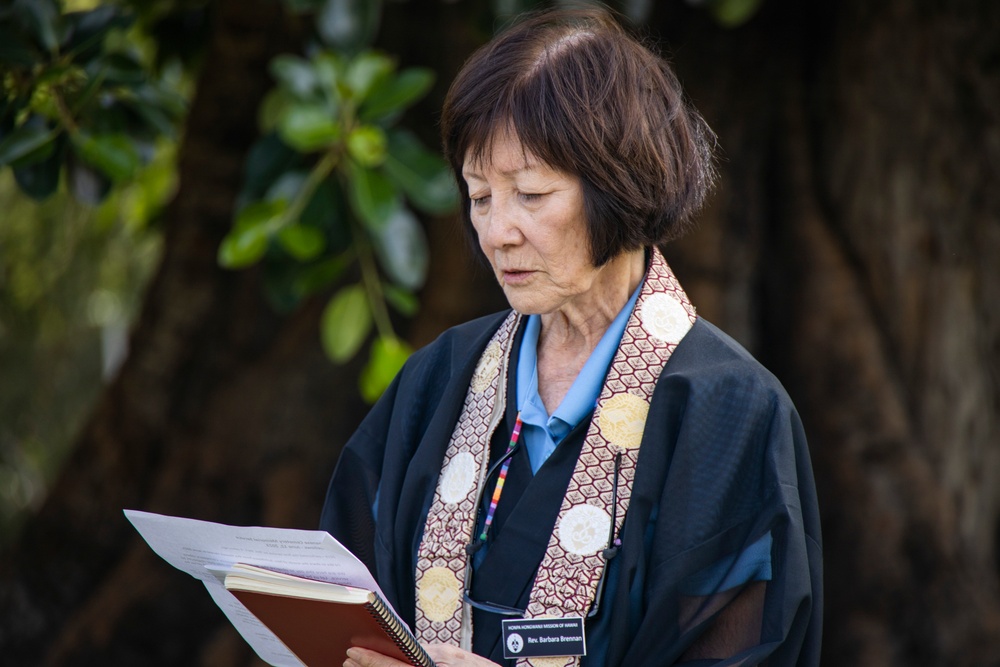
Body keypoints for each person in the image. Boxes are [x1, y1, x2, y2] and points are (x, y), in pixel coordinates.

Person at [322, 7, 821, 667]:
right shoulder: (440, 377)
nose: (498, 231)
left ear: (620, 184)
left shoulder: (729, 414)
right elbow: (345, 593)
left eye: (529, 194)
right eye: (479, 197)